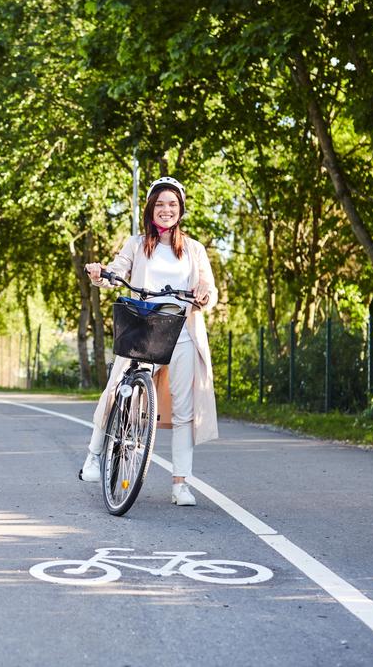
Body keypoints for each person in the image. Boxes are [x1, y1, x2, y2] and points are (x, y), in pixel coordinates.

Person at [79, 176, 218, 506]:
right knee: (116, 390)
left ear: (181, 210)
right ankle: (94, 456)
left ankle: (181, 484)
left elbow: (208, 288)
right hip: (141, 329)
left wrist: (204, 294)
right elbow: (118, 272)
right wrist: (101, 274)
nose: (166, 210)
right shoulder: (136, 244)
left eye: (172, 204)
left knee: (184, 410)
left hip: (181, 333)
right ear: (151, 209)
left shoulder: (195, 250)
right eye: (160, 204)